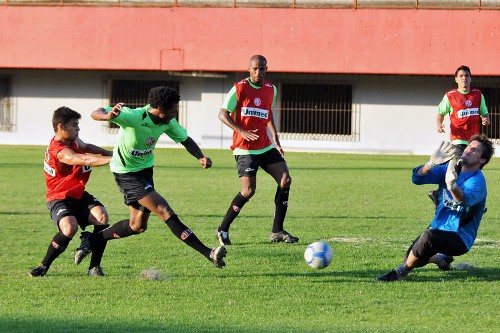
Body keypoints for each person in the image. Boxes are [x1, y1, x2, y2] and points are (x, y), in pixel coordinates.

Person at [86, 86, 227, 269]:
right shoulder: (133, 116)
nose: (175, 114)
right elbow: (95, 113)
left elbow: (186, 139)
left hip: (145, 172)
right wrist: (108, 116)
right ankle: (209, 253)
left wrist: (200, 156)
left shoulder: (167, 122)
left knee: (137, 226)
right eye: (173, 110)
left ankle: (93, 239)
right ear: (160, 109)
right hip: (126, 173)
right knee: (163, 209)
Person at [378, 134, 494, 282]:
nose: (469, 150)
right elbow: (417, 179)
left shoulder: (477, 181)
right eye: (469, 146)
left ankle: (399, 273)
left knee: (427, 238)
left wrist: (452, 186)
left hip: (460, 237)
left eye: (475, 150)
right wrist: (430, 164)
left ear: (482, 160)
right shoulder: (450, 168)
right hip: (439, 227)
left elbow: (464, 201)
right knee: (412, 256)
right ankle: (441, 259)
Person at [216, 54, 298, 246]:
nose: (258, 72)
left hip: (265, 145)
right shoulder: (239, 88)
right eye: (255, 69)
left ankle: (277, 230)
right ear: (249, 69)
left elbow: (267, 114)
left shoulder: (271, 89)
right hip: (245, 148)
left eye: (262, 69)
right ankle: (223, 228)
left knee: (285, 180)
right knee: (248, 191)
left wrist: (275, 139)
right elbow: (222, 114)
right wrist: (241, 131)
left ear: (266, 69)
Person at [29, 107, 113, 277]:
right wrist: (117, 160)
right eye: (75, 125)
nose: (78, 129)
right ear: (62, 126)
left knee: (102, 217)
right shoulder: (59, 151)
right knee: (69, 228)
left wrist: (113, 153)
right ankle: (43, 266)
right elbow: (84, 158)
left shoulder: (72, 141)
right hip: (58, 197)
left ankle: (94, 268)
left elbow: (87, 148)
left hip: (78, 194)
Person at [429, 65, 490, 207]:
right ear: (456, 79)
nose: (464, 78)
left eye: (467, 75)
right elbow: (440, 112)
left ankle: (440, 195)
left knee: (473, 171)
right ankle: (454, 198)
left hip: (474, 142)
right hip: (458, 140)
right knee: (461, 169)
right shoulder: (450, 96)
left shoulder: (477, 95)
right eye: (461, 76)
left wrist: (486, 119)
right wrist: (439, 124)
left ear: (471, 78)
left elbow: (484, 113)